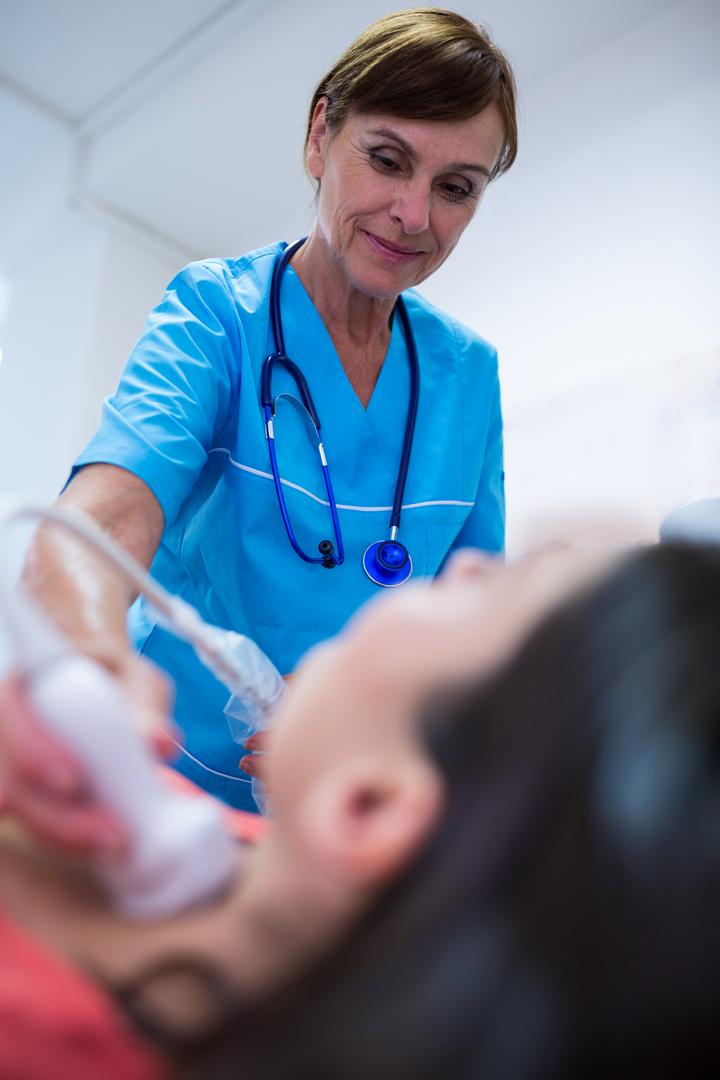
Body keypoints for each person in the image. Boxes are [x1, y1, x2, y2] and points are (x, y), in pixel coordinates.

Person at [7, 7, 519, 822]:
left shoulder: (470, 377)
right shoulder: (219, 313)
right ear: (321, 135)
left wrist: (379, 737)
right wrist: (90, 673)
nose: (414, 215)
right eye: (388, 160)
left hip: (324, 815)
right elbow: (107, 513)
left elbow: (472, 636)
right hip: (149, 778)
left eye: (456, 188)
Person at [1, 541, 719, 1078]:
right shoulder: (241, 850)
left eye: (495, 587)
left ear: (369, 808)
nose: (467, 560)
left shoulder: (37, 1040)